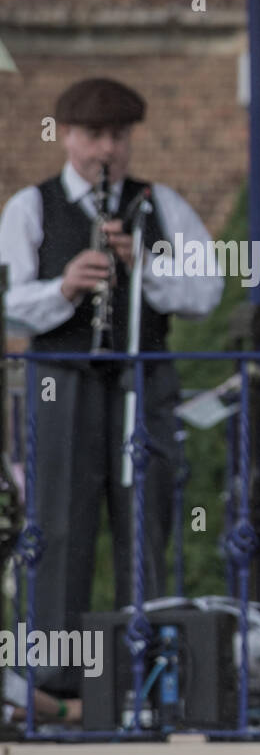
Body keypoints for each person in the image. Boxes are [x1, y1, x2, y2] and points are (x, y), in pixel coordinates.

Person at [0, 77, 224, 698]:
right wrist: (66, 287)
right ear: (67, 136)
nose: (108, 150)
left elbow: (207, 289)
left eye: (119, 137)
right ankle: (54, 679)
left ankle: (145, 673)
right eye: (95, 136)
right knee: (60, 524)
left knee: (145, 521)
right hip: (62, 381)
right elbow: (8, 308)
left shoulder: (159, 204)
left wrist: (142, 269)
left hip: (143, 379)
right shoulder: (31, 206)